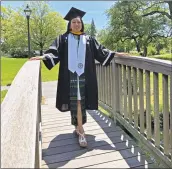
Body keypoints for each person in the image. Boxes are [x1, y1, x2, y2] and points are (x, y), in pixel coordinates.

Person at [30, 7, 129, 147]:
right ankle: (80, 129)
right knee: (75, 102)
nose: (77, 24)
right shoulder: (62, 39)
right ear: (69, 24)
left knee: (79, 102)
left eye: (79, 22)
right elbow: (53, 52)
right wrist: (43, 56)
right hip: (69, 76)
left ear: (82, 24)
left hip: (84, 76)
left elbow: (101, 51)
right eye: (74, 22)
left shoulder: (88, 39)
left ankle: (79, 128)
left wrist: (116, 54)